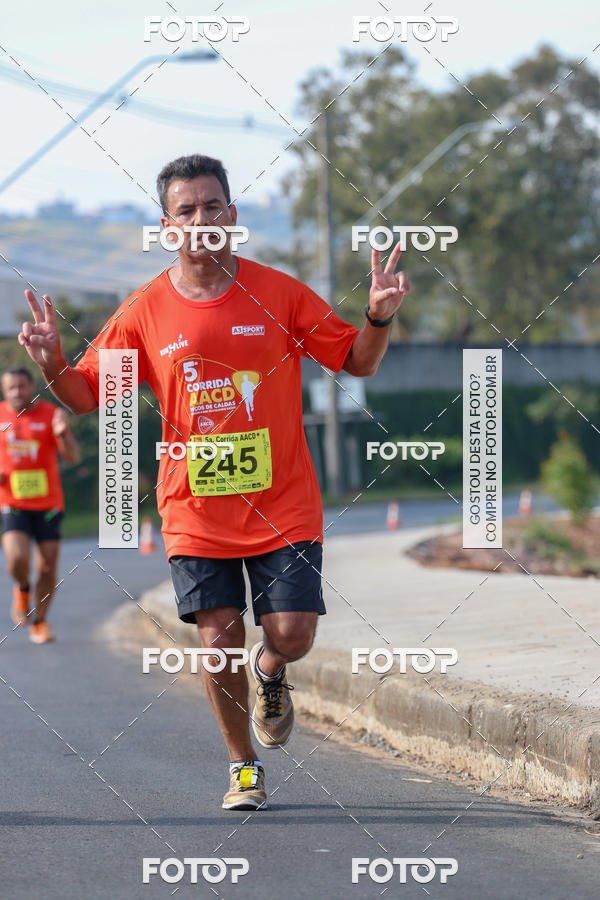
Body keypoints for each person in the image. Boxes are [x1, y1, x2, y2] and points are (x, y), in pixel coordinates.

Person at [17, 153, 409, 807]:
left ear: (232, 215)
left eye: (212, 206)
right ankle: (243, 766)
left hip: (283, 502)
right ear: (167, 227)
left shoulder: (278, 294)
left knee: (292, 634)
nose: (201, 219)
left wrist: (377, 317)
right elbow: (85, 396)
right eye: (186, 210)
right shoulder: (144, 311)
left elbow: (357, 362)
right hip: (194, 507)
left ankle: (271, 669)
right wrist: (54, 360)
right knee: (218, 640)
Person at [0, 367, 79, 643]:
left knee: (47, 567)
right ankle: (22, 589)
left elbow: (72, 456)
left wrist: (61, 433)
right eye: (11, 387)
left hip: (48, 503)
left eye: (21, 386)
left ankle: (40, 622)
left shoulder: (50, 414)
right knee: (16, 558)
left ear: (32, 386)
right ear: (4, 390)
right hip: (12, 502)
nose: (17, 392)